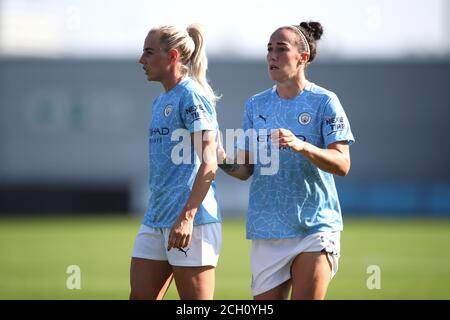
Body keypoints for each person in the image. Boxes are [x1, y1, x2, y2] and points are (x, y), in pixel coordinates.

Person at [218, 21, 355, 300]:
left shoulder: (325, 101)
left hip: (314, 228)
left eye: (281, 49)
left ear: (302, 57)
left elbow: (342, 164)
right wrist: (216, 156)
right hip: (266, 229)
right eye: (269, 49)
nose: (272, 56)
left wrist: (301, 145)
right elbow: (244, 170)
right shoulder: (255, 105)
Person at [130, 24, 221, 300]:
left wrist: (187, 217)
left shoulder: (191, 95)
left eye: (148, 52)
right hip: (156, 218)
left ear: (172, 56)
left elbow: (209, 162)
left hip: (191, 222)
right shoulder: (160, 100)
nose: (140, 60)